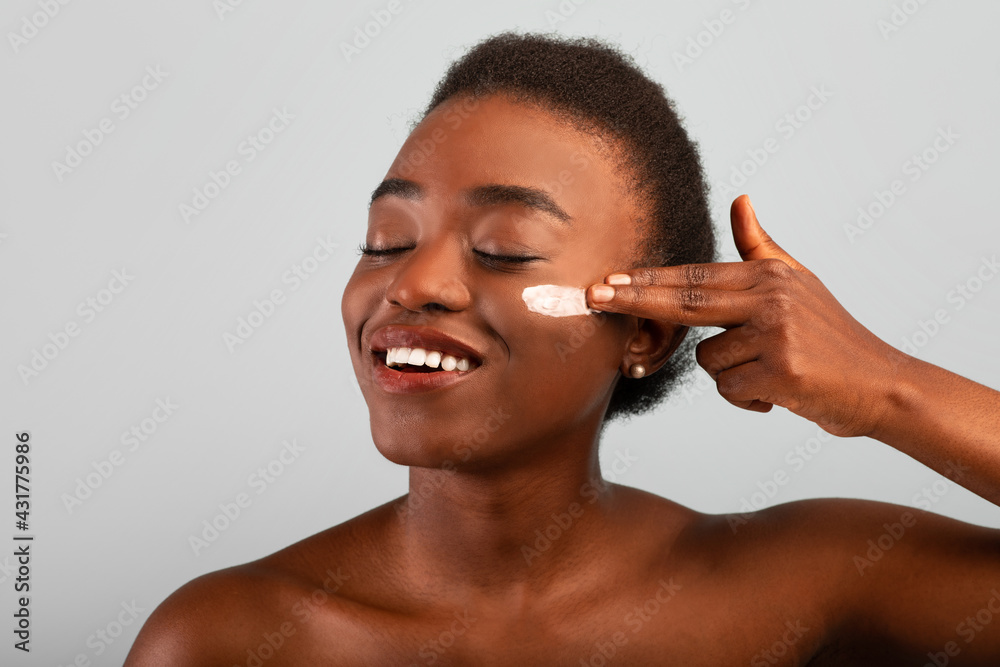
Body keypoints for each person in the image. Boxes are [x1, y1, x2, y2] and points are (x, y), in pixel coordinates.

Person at [125, 31, 1000, 665]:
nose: (414, 281)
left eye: (503, 248)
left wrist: (888, 387)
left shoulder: (801, 588)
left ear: (646, 331)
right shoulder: (225, 638)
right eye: (387, 238)